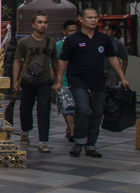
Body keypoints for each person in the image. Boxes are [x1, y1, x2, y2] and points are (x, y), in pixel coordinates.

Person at [54, 8, 129, 158]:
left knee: (96, 113)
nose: (94, 20)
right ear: (81, 19)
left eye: (95, 18)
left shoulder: (103, 38)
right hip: (78, 81)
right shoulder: (73, 40)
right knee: (83, 109)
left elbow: (112, 58)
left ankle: (91, 145)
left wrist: (122, 77)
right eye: (90, 18)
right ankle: (79, 141)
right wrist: (59, 80)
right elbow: (63, 60)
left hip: (98, 81)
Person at [13, 13, 58, 152]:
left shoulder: (51, 42)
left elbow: (55, 61)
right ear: (33, 25)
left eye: (45, 22)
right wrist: (15, 80)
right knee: (26, 108)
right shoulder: (24, 42)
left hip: (44, 81)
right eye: (40, 22)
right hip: (28, 81)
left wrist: (58, 79)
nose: (43, 25)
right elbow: (17, 60)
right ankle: (25, 132)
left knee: (44, 109)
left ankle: (43, 141)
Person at [56, 19, 78, 143]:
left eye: (75, 30)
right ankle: (71, 130)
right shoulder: (59, 45)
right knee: (68, 106)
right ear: (64, 32)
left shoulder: (81, 43)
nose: (73, 33)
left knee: (78, 106)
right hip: (64, 80)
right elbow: (54, 63)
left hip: (78, 80)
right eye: (70, 31)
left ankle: (70, 127)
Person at [101, 22, 129, 87]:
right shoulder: (99, 42)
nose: (105, 32)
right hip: (100, 69)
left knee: (112, 89)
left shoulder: (118, 43)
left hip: (112, 70)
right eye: (104, 30)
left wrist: (122, 73)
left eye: (107, 30)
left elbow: (125, 58)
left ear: (113, 32)